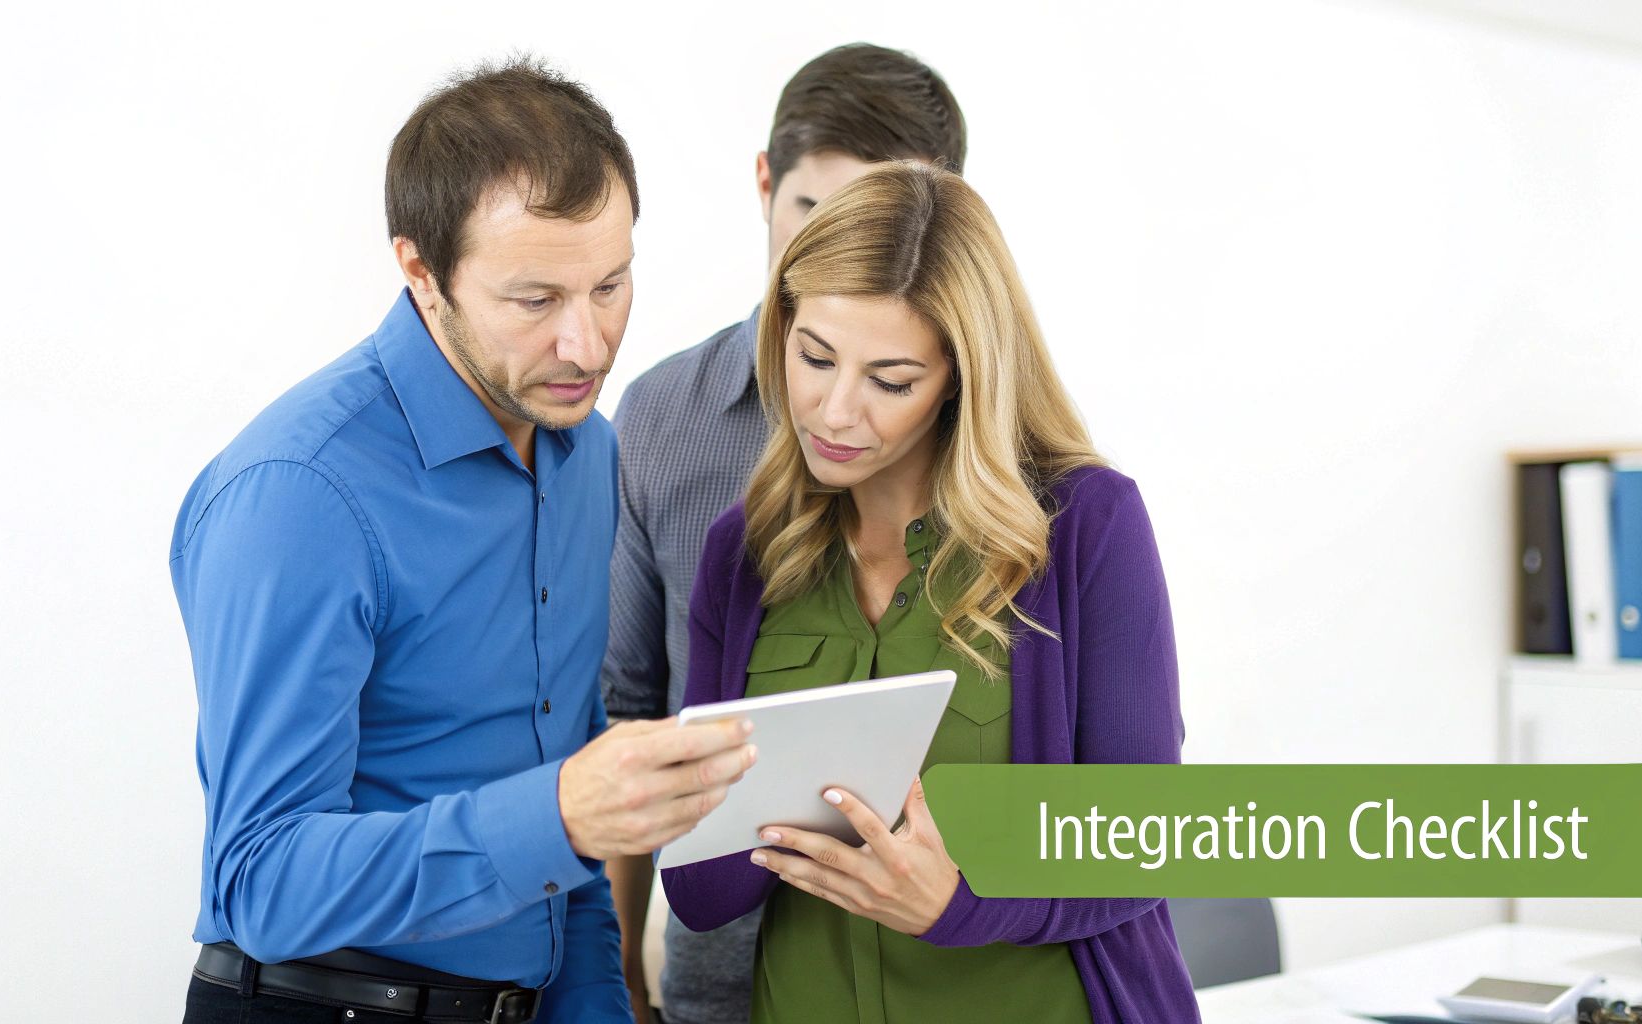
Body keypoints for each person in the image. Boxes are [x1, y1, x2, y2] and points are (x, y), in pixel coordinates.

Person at [170, 57, 756, 1024]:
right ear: (421, 271)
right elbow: (260, 880)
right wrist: (556, 815)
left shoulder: (587, 453)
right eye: (535, 300)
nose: (589, 345)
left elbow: (571, 800)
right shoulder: (300, 493)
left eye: (611, 285)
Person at [659, 162, 1200, 1023]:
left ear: (960, 378)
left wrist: (956, 904)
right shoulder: (744, 553)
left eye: (891, 380)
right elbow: (698, 894)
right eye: (815, 357)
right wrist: (723, 802)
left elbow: (1148, 838)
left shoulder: (1085, 525)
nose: (835, 411)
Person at [599, 43, 967, 1024]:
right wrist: (618, 973)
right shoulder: (662, 420)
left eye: (881, 221)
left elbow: (1115, 789)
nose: (842, 254)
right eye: (815, 211)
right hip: (723, 982)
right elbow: (627, 717)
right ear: (765, 185)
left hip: (951, 974)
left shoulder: (1018, 472)